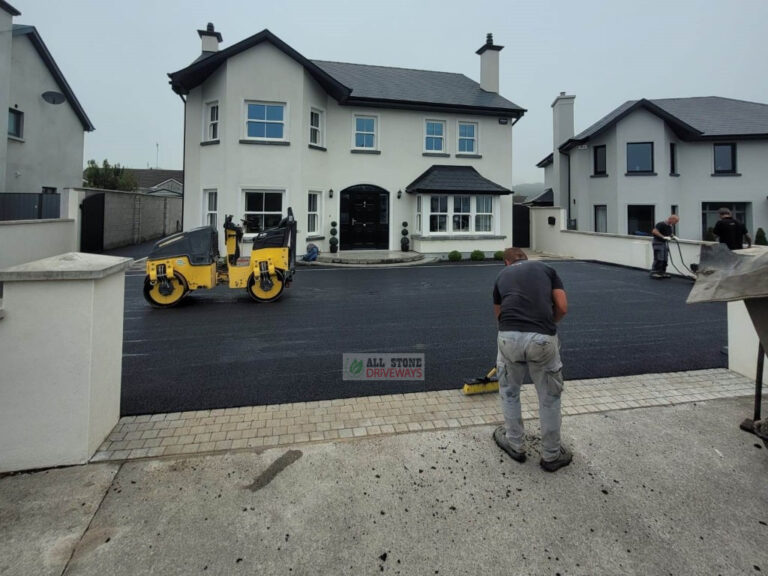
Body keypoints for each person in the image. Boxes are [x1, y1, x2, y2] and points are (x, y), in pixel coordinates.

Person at [492, 247, 571, 472]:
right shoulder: (547, 269)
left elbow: (499, 315)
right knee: (549, 398)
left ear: (507, 263)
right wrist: (548, 327)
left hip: (508, 337)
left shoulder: (501, 276)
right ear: (525, 258)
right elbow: (562, 307)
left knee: (509, 392)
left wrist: (512, 341)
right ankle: (551, 455)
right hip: (542, 339)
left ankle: (514, 443)